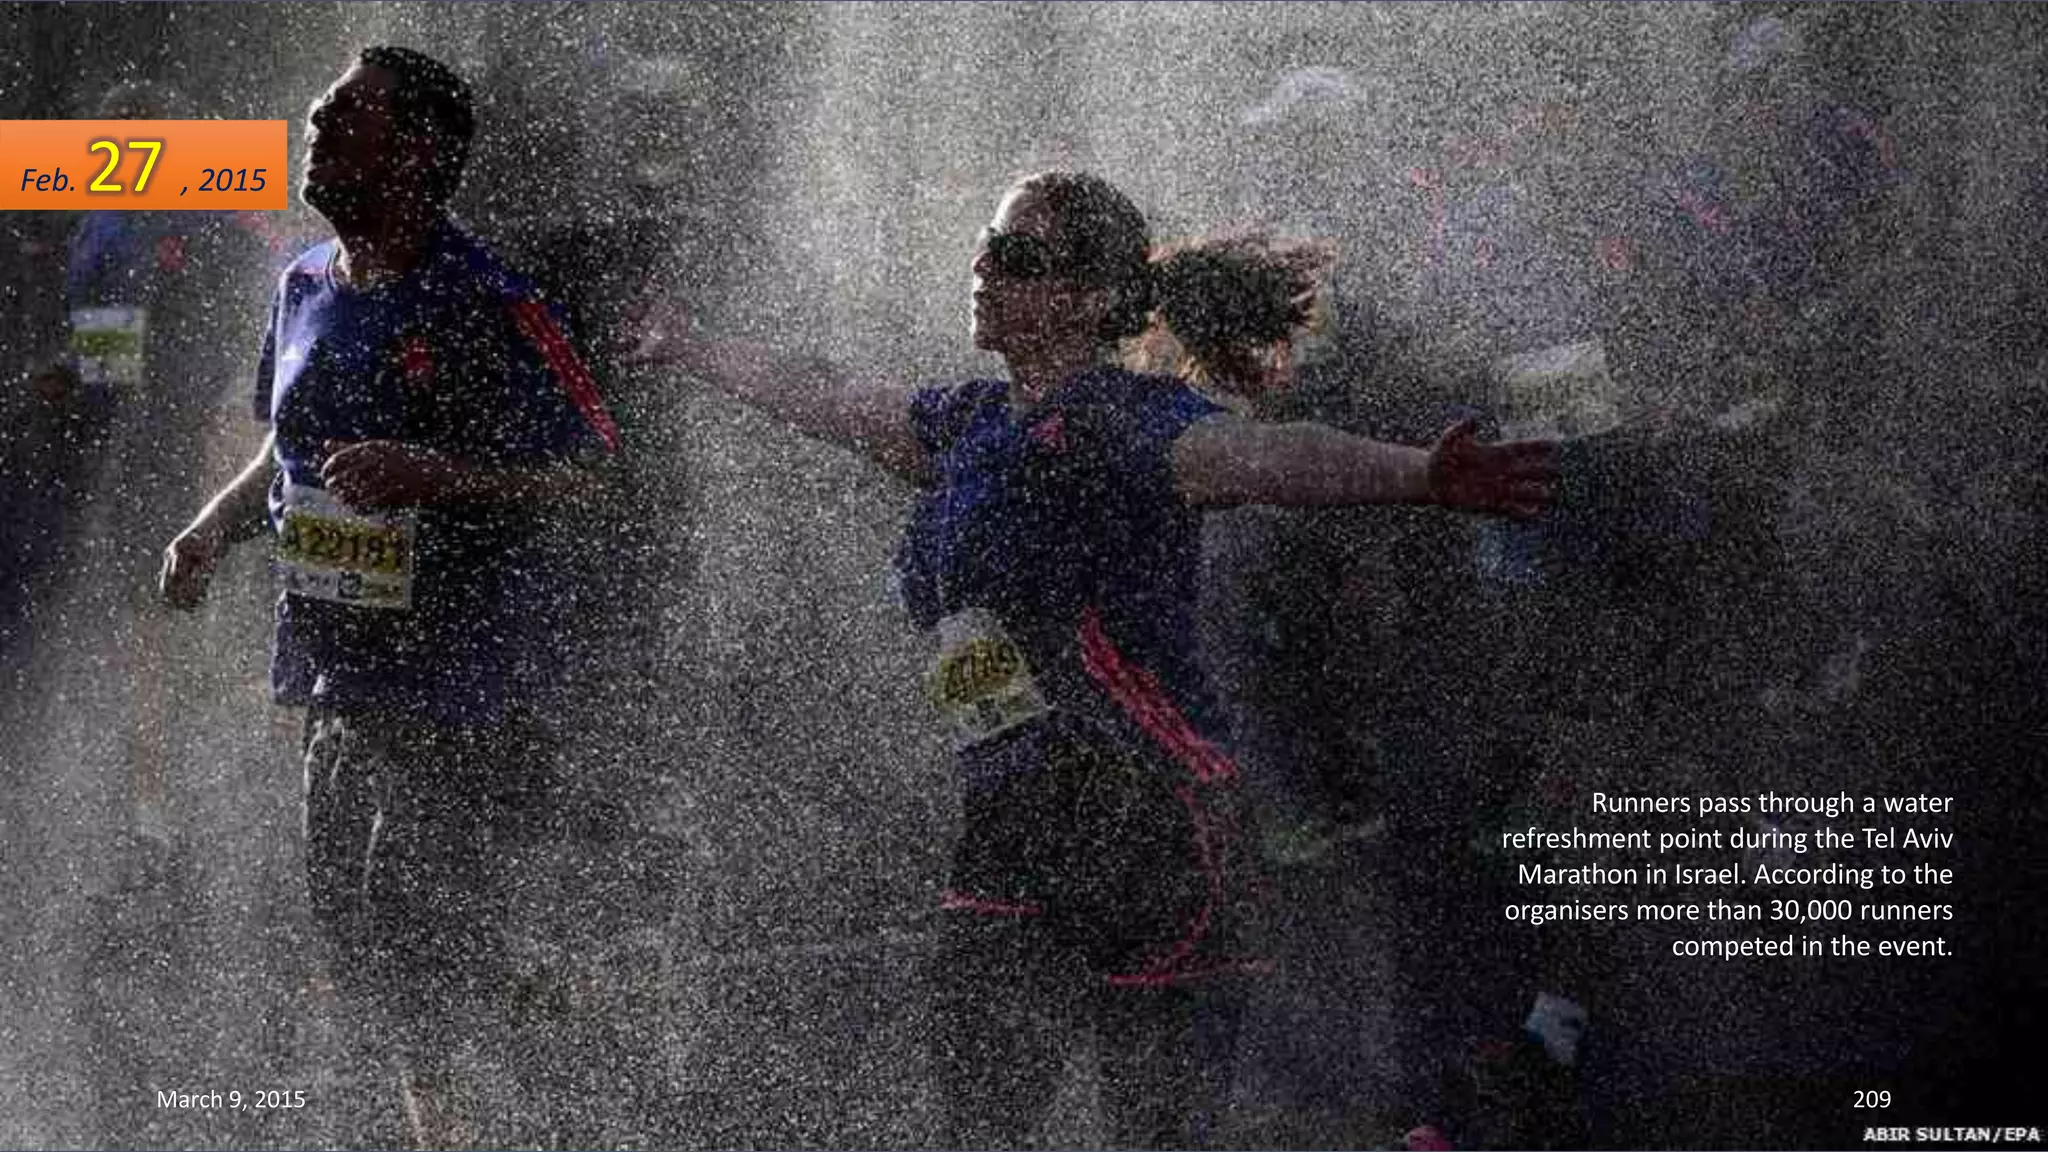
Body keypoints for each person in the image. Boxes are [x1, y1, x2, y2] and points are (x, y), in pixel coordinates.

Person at [633, 169, 1554, 1148]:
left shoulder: (1123, 421)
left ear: (1087, 299)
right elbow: (830, 396)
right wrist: (692, 349)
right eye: (986, 246)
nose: (983, 269)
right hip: (1013, 822)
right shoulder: (967, 425)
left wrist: (1418, 474)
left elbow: (1262, 458)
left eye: (1017, 258)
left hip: (1155, 820)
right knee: (975, 1125)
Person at [158, 46, 619, 1147]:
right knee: (360, 941)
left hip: (462, 687)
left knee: (411, 933)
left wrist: (440, 475)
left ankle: (495, 1117)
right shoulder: (302, 283)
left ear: (417, 151)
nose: (313, 121)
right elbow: (288, 447)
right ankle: (551, 1037)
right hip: (333, 675)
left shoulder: (489, 299)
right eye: (320, 105)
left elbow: (600, 470)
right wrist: (210, 532)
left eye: (344, 112)